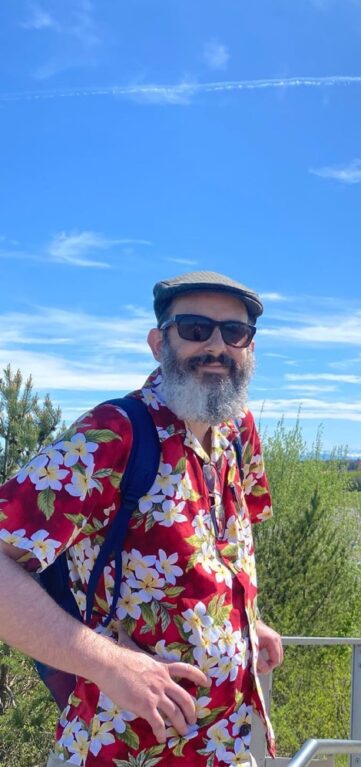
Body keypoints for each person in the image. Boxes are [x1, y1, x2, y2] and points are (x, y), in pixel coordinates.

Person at [0, 271, 283, 766]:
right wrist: (109, 664)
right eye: (195, 329)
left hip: (226, 746)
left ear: (250, 349)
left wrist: (245, 621)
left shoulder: (238, 428)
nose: (216, 346)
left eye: (234, 333)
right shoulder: (114, 435)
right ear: (159, 343)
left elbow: (225, 545)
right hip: (123, 747)